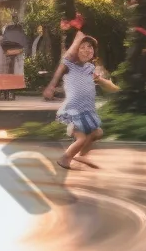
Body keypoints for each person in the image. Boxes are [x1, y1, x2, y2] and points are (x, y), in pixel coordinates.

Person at [43, 15, 118, 170]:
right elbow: (65, 59)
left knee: (97, 132)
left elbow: (104, 83)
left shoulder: (90, 68)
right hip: (74, 110)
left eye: (89, 47)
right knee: (81, 138)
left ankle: (80, 156)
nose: (86, 50)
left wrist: (112, 86)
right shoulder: (71, 65)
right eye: (82, 47)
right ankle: (65, 158)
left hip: (87, 110)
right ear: (75, 51)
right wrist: (51, 86)